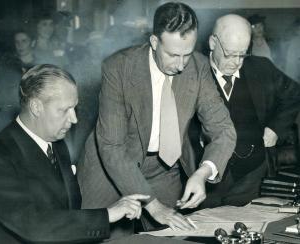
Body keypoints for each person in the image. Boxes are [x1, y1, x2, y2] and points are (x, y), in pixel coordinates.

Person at [78, 1, 236, 232]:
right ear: (154, 42)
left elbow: (223, 129)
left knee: (171, 235)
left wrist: (203, 173)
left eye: (187, 54)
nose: (181, 65)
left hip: (163, 168)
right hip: (110, 168)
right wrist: (152, 205)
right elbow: (112, 146)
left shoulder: (199, 67)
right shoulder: (118, 68)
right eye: (173, 55)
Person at [0, 64, 149, 243]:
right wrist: (107, 215)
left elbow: (67, 212)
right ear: (36, 107)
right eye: (64, 110)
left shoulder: (55, 144)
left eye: (74, 108)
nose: (74, 119)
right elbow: (33, 226)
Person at [199, 14, 300, 208]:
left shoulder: (261, 68)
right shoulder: (193, 74)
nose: (236, 62)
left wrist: (275, 128)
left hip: (252, 175)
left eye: (242, 54)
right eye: (229, 54)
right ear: (213, 42)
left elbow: (294, 94)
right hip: (208, 179)